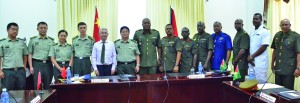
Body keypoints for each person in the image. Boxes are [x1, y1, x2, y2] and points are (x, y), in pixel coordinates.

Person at [271, 19, 300, 90]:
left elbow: (298, 53)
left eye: (286, 25)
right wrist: (272, 64)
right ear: (280, 26)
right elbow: (275, 50)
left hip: (289, 69)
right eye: (282, 25)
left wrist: (298, 68)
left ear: (290, 25)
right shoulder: (277, 35)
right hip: (278, 67)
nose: (284, 26)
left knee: (287, 91)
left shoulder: (295, 36)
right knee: (277, 90)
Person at [0, 22, 28, 90]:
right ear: (7, 30)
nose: (15, 31)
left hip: (20, 71)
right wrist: (0, 71)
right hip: (8, 71)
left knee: (21, 91)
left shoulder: (21, 42)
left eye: (17, 29)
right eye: (13, 29)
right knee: (8, 92)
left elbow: (25, 55)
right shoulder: (2, 43)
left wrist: (24, 67)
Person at [28, 22, 54, 89]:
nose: (43, 29)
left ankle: (48, 99)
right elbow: (30, 54)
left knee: (48, 85)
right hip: (36, 64)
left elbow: (53, 55)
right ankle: (38, 99)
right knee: (37, 85)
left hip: (48, 64)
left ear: (47, 29)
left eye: (45, 28)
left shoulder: (51, 41)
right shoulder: (33, 40)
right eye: (41, 28)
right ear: (37, 29)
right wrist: (31, 67)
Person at [248, 13, 271, 84]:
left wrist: (251, 56)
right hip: (252, 62)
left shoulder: (265, 31)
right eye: (254, 19)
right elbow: (250, 47)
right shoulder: (252, 33)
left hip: (260, 63)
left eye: (257, 19)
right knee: (251, 84)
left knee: (260, 84)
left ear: (261, 20)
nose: (255, 20)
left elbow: (263, 47)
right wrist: (249, 57)